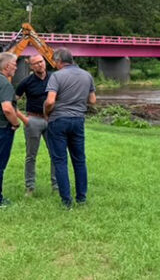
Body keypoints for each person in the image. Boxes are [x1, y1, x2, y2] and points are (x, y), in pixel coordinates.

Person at [44, 48, 96, 209]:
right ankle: (81, 197)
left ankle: (66, 200)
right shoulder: (87, 75)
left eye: (55, 62)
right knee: (79, 160)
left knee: (60, 161)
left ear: (59, 61)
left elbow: (51, 101)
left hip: (58, 120)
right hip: (78, 120)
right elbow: (93, 100)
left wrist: (46, 111)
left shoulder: (56, 76)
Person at [0, 52, 29, 208]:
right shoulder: (5, 84)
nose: (15, 68)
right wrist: (15, 124)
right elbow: (7, 109)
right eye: (15, 65)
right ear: (7, 66)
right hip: (1, 128)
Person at [15, 54, 57, 195]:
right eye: (36, 63)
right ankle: (30, 187)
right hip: (33, 120)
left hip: (52, 120)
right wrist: (23, 118)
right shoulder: (26, 82)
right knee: (31, 155)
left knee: (56, 154)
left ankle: (56, 187)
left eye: (42, 61)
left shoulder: (55, 78)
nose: (40, 65)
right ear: (31, 66)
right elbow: (12, 101)